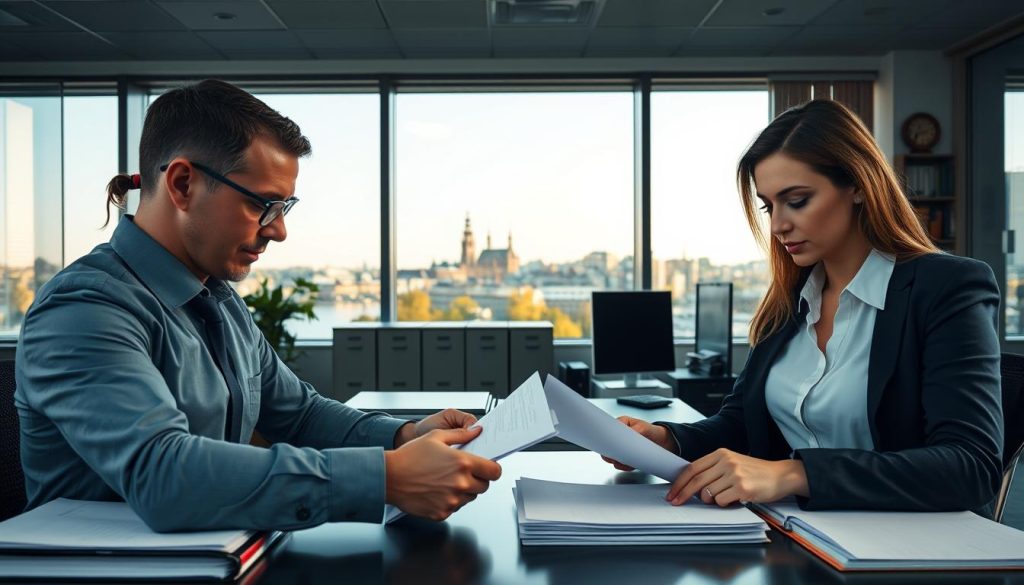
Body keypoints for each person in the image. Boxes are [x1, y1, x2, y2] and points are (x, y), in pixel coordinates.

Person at [15, 79, 500, 531]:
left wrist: (404, 437)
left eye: (284, 208)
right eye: (261, 204)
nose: (278, 230)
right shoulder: (83, 309)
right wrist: (386, 478)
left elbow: (300, 416)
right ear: (183, 184)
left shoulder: (220, 301)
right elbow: (161, 472)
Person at [609, 99, 1003, 514]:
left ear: (857, 186)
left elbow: (971, 466)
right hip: (794, 534)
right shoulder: (789, 303)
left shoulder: (947, 288)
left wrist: (794, 474)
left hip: (901, 545)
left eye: (796, 200)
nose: (778, 224)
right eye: (768, 205)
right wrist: (668, 440)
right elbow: (743, 424)